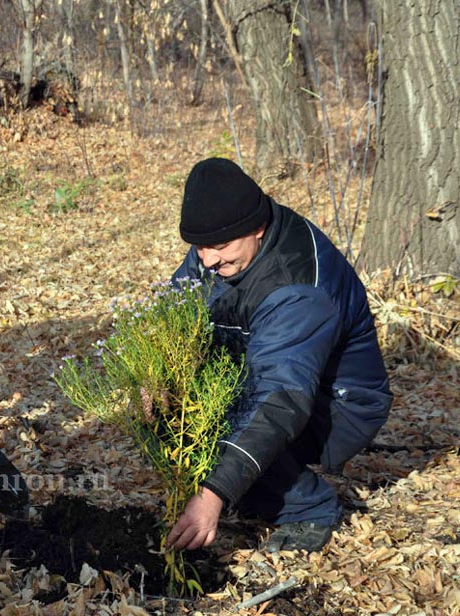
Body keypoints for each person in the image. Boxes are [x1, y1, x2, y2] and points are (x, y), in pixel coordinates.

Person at [164, 158, 392, 553]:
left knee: (226, 408)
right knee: (187, 399)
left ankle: (310, 507)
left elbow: (280, 396)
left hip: (338, 404)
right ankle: (252, 489)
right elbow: (177, 312)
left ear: (256, 228)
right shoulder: (219, 242)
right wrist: (161, 380)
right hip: (267, 372)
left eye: (219, 248)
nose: (207, 261)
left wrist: (213, 493)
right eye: (199, 247)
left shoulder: (297, 286)